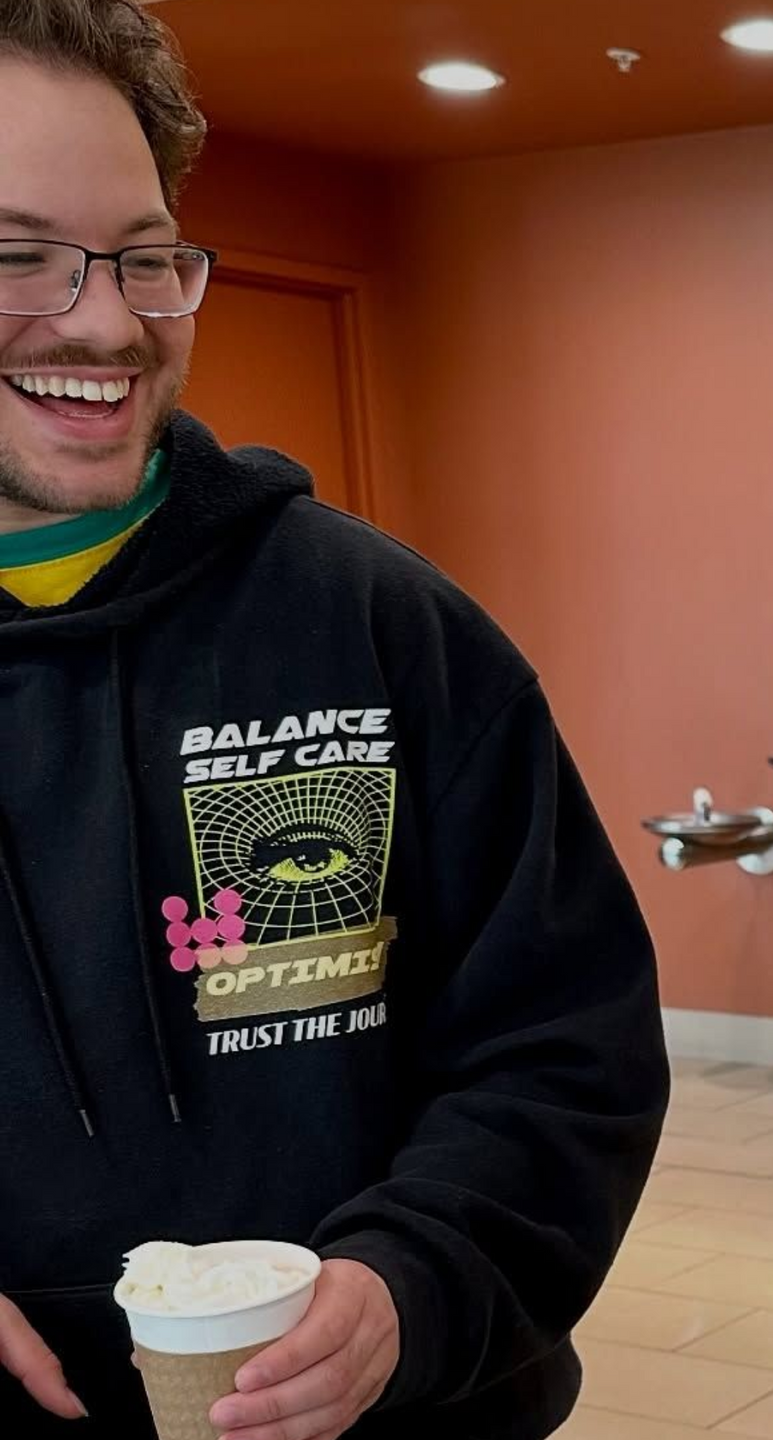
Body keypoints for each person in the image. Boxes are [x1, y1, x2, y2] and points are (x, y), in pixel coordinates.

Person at [0, 3, 668, 1436]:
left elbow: (566, 1048)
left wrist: (415, 1281)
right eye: (18, 258)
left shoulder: (383, 628)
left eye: (141, 257)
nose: (106, 322)